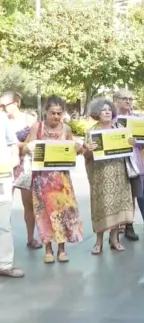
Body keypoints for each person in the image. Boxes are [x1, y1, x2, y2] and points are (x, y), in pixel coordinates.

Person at [24, 96, 84, 263]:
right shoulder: (37, 127)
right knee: (44, 214)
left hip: (61, 179)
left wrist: (79, 148)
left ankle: (62, 250)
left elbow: (75, 151)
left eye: (59, 113)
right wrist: (30, 147)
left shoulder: (66, 129)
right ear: (46, 112)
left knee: (62, 214)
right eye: (53, 113)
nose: (56, 117)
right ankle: (48, 250)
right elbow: (26, 148)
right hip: (41, 179)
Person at [83, 98, 136, 254]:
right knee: (101, 207)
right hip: (100, 175)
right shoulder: (92, 132)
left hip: (119, 173)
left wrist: (131, 142)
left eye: (108, 109)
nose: (107, 112)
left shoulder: (119, 128)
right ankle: (98, 242)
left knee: (118, 206)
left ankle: (114, 240)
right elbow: (86, 156)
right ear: (96, 114)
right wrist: (89, 150)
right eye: (103, 110)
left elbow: (129, 149)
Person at [113, 89, 144, 241]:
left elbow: (143, 145)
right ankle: (117, 225)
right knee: (118, 195)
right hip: (116, 163)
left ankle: (129, 226)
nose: (128, 101)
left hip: (135, 161)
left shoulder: (139, 121)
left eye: (131, 99)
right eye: (124, 98)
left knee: (135, 193)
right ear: (116, 100)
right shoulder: (110, 120)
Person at [0, 92, 40, 249]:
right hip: (4, 166)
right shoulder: (2, 120)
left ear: (16, 103)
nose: (2, 108)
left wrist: (20, 146)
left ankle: (31, 238)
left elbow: (35, 143)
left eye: (4, 105)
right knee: (4, 205)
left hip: (25, 165)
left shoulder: (28, 120)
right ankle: (4, 243)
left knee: (29, 205)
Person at [0, 110, 23, 277]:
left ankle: (4, 264)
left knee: (3, 223)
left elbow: (12, 144)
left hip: (2, 176)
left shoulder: (2, 118)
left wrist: (14, 159)